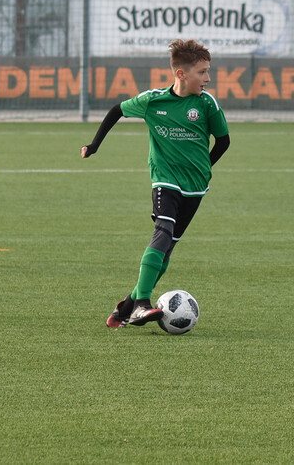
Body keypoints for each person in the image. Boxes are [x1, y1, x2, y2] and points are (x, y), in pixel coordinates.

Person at [81, 39, 231, 328]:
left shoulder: (206, 104)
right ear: (181, 74)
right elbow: (117, 110)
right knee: (162, 233)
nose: (208, 78)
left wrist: (204, 168)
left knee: (166, 252)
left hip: (196, 186)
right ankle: (141, 305)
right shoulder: (153, 100)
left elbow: (223, 142)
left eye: (208, 71)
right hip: (164, 180)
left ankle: (123, 308)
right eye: (202, 72)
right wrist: (95, 144)